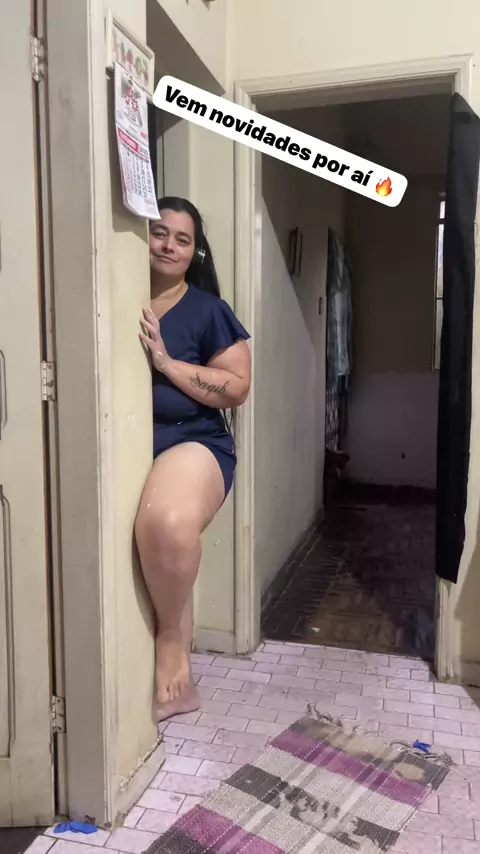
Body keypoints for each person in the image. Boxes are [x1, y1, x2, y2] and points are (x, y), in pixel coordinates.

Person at [135, 197, 251, 722]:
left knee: (168, 520)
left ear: (195, 251)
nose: (168, 246)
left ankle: (171, 641)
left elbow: (236, 387)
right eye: (159, 232)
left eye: (182, 239)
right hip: (131, 442)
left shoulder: (207, 310)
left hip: (196, 441)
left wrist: (165, 362)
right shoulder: (115, 293)